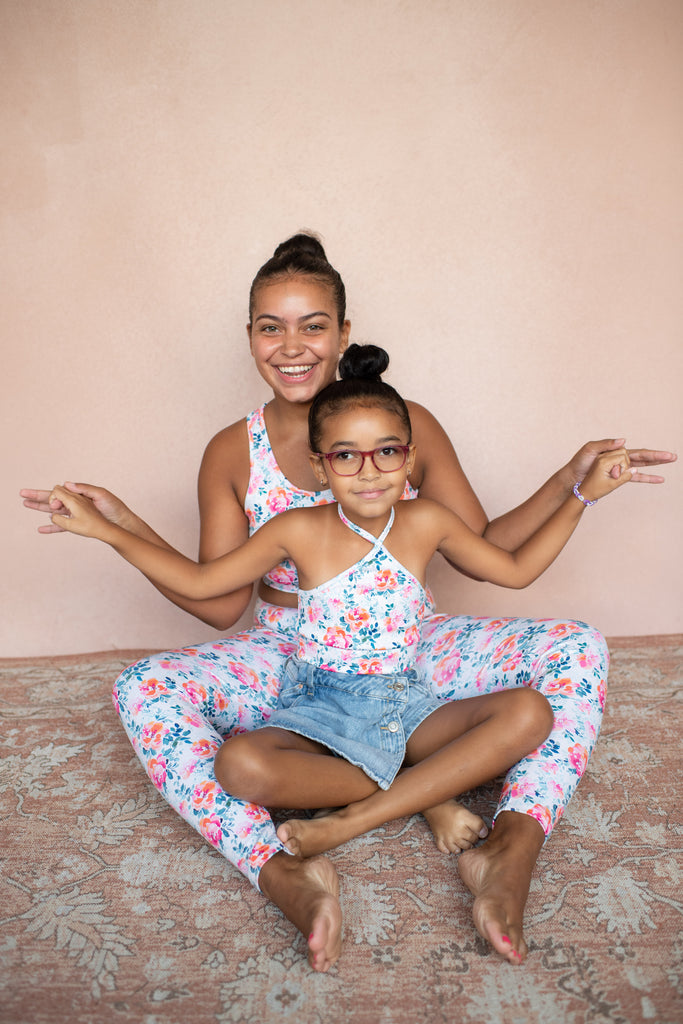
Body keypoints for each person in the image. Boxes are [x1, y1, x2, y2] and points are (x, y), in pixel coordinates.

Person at [21, 233, 676, 973]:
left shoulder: (401, 422)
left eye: (312, 325)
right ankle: (283, 868)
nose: (291, 346)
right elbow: (216, 602)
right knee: (142, 690)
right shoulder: (231, 451)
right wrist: (122, 527)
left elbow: (487, 547)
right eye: (271, 326)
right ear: (249, 337)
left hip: (407, 642)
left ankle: (508, 848)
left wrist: (572, 480)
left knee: (576, 646)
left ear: (343, 332)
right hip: (288, 654)